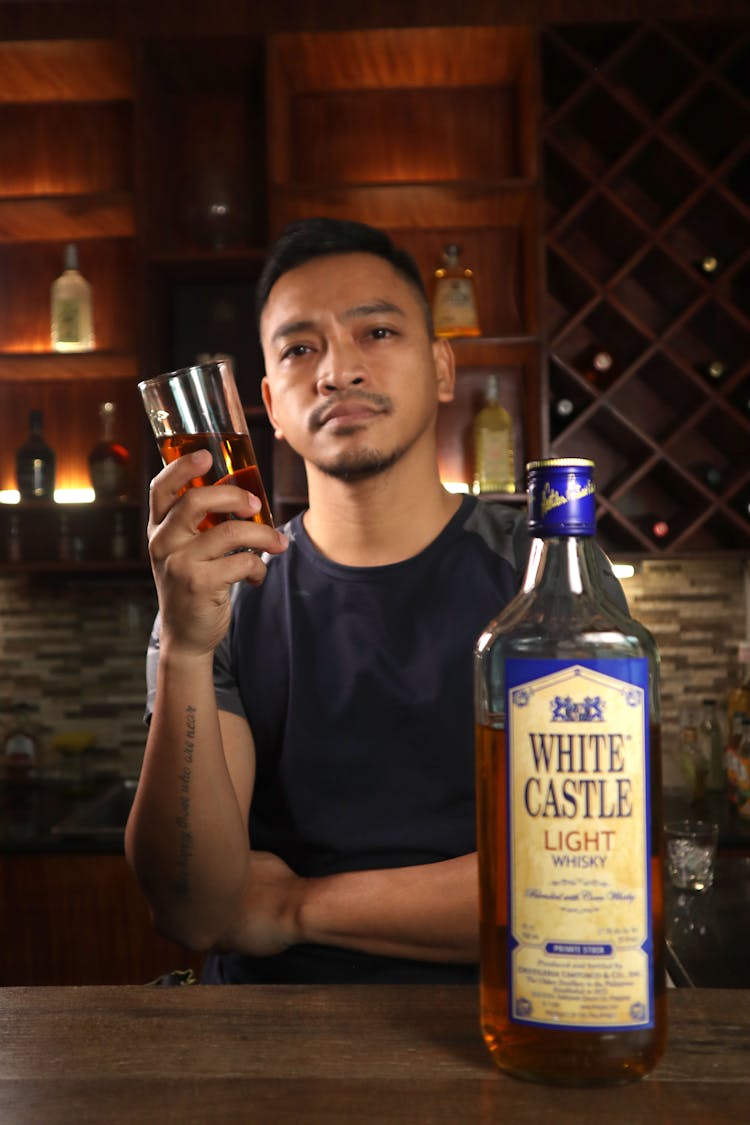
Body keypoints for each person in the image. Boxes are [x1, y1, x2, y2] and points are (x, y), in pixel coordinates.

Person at [126, 216, 626, 984]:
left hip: (505, 1028)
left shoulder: (546, 569)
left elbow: (586, 887)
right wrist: (187, 649)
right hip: (262, 1050)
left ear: (442, 368)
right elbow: (193, 910)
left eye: (377, 333)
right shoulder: (220, 593)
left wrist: (294, 906)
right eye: (300, 348)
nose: (337, 370)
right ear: (271, 403)